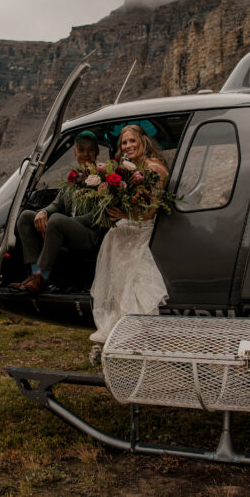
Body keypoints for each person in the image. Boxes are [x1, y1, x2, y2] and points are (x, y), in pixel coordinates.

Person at [88, 124, 170, 356]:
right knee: (117, 250)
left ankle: (134, 329)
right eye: (124, 143)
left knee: (132, 274)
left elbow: (151, 211)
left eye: (132, 141)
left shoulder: (155, 169)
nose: (128, 146)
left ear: (143, 141)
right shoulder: (130, 169)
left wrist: (124, 214)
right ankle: (121, 327)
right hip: (130, 225)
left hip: (143, 227)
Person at [11, 131, 102, 295]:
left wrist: (64, 224)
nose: (86, 154)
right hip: (63, 226)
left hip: (89, 235)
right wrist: (43, 212)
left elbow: (97, 216)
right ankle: (34, 275)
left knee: (57, 220)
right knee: (26, 217)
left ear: (97, 152)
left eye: (90, 150)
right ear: (75, 152)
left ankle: (41, 278)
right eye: (81, 150)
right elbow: (56, 204)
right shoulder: (73, 178)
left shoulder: (103, 178)